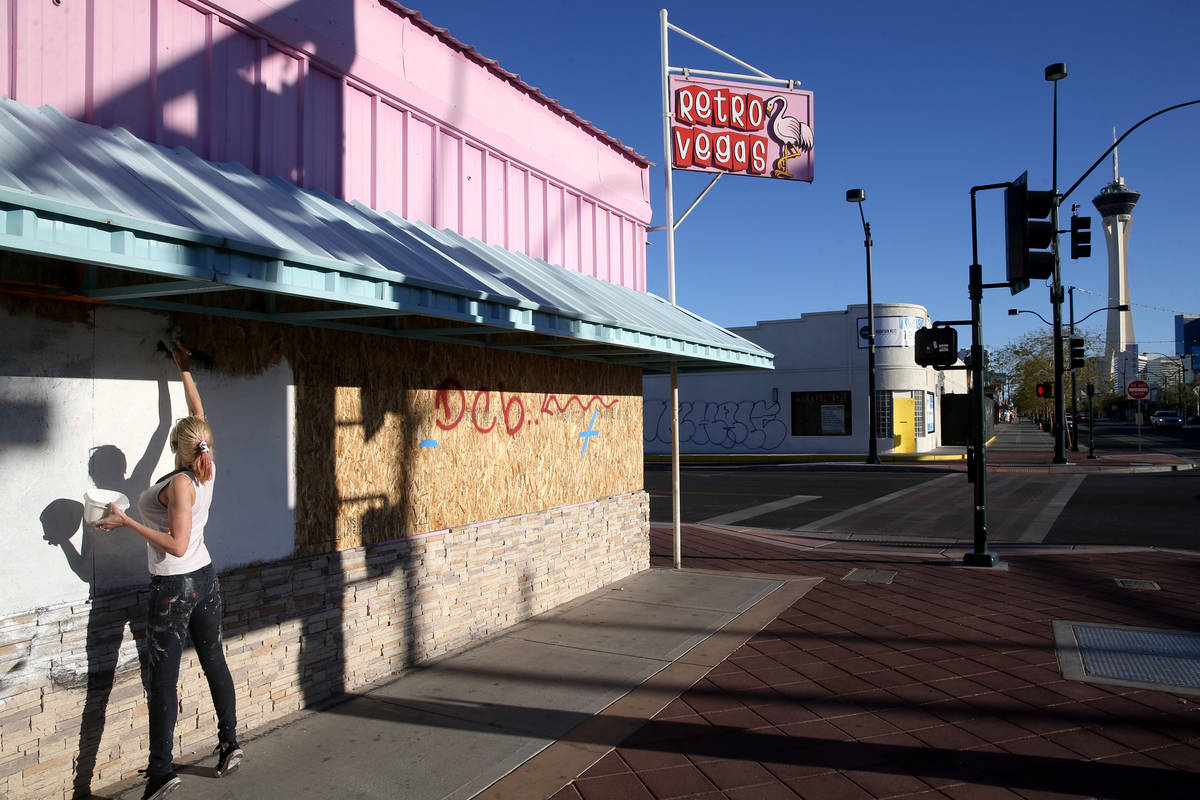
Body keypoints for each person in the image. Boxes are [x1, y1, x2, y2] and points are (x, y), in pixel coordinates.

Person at [96, 346, 242, 800]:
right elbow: (195, 414)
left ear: (178, 450)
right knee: (214, 659)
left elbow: (176, 544)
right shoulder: (206, 464)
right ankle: (229, 744)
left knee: (163, 675)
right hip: (206, 579)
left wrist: (127, 521)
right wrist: (182, 368)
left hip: (175, 586)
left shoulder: (180, 483)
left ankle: (161, 772)